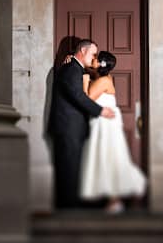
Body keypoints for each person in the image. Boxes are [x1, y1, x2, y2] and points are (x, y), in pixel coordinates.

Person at [47, 39, 115, 209]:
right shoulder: (71, 69)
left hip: (72, 128)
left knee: (73, 168)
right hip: (68, 128)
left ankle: (72, 206)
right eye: (93, 54)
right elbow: (78, 96)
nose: (94, 58)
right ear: (83, 51)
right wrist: (100, 111)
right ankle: (68, 210)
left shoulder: (75, 69)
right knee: (68, 169)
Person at [79, 51, 147, 214]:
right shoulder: (103, 79)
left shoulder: (102, 81)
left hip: (106, 126)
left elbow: (87, 98)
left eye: (96, 59)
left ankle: (118, 197)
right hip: (104, 123)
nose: (93, 60)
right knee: (108, 158)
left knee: (108, 157)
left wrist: (85, 79)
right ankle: (115, 199)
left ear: (102, 64)